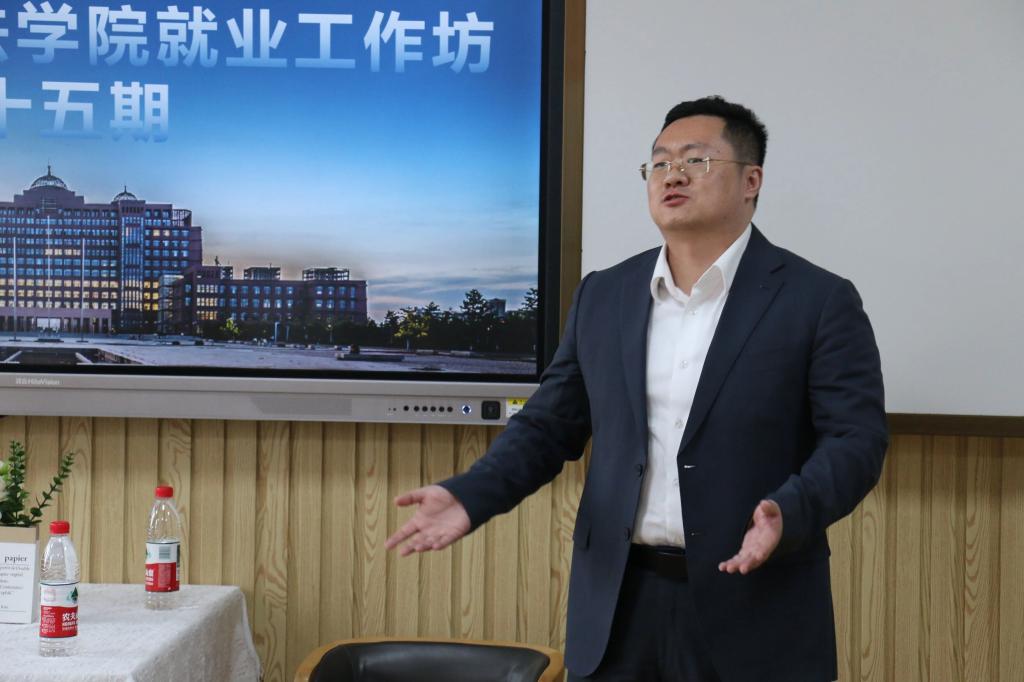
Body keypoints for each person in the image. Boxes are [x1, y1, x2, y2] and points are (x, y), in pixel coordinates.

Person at [385, 96, 888, 681]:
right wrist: (471, 494)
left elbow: (856, 440)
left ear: (751, 181)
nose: (672, 174)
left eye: (696, 160)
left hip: (754, 603)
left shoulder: (817, 300)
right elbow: (547, 426)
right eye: (659, 162)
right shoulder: (605, 294)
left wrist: (791, 510)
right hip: (619, 606)